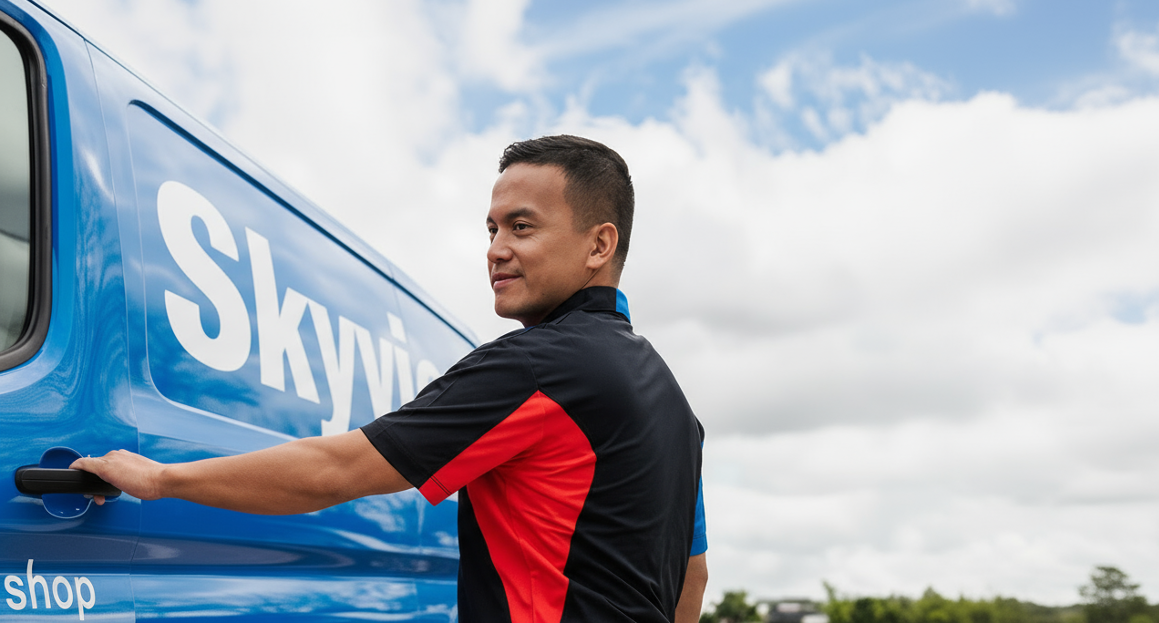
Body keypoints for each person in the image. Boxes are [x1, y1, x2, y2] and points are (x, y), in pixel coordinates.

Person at [73, 135, 708, 623]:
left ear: (599, 245)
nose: (495, 248)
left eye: (522, 226)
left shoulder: (539, 367)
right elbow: (692, 578)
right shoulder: (677, 409)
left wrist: (160, 479)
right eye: (491, 229)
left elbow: (336, 470)